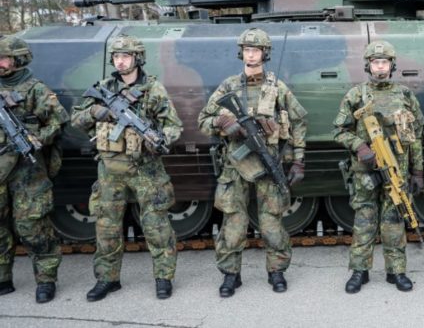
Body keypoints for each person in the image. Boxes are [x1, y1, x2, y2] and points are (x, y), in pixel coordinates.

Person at [71, 34, 182, 301]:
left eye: (126, 56)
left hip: (146, 168)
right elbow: (76, 118)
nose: (120, 62)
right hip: (110, 170)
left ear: (138, 58)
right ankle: (107, 279)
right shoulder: (103, 87)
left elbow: (173, 125)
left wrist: (161, 140)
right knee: (107, 227)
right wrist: (94, 113)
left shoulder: (153, 89)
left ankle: (163, 278)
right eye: (117, 57)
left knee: (156, 226)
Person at [198, 28, 307, 298]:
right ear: (241, 53)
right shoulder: (228, 86)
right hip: (235, 165)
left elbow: (299, 122)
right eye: (247, 49)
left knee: (271, 223)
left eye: (256, 50)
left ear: (264, 54)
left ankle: (277, 271)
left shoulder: (277, 87)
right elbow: (203, 121)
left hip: (268, 163)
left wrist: (298, 161)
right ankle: (231, 275)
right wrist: (224, 124)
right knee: (233, 223)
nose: (251, 54)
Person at [333, 40, 424, 293]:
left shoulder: (405, 95)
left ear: (391, 65)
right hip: (365, 172)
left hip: (398, 171)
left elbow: (416, 135)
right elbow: (339, 130)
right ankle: (359, 272)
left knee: (394, 220)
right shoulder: (356, 95)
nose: (380, 66)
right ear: (368, 65)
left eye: (384, 62)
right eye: (376, 62)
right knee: (364, 220)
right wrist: (360, 147)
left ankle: (396, 272)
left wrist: (417, 171)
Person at [0, 36, 67, 303]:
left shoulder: (34, 88)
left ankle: (46, 279)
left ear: (17, 59)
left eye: (3, 58)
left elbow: (58, 120)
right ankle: (3, 276)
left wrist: (38, 136)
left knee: (32, 225)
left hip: (27, 169)